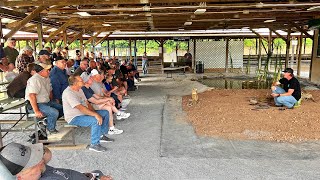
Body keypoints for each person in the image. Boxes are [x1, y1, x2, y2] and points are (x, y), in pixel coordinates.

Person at [0, 142, 113, 179]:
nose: (41, 161)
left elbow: (47, 153)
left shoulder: (38, 171)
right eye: (34, 162)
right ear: (20, 177)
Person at [62, 75, 113, 152]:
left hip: (83, 113)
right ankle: (94, 144)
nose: (83, 81)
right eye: (81, 81)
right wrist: (95, 115)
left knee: (105, 113)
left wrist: (94, 112)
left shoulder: (80, 90)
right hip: (74, 117)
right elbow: (80, 108)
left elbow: (87, 104)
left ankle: (101, 135)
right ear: (75, 83)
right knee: (95, 120)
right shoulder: (68, 93)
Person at [25, 63, 64, 134]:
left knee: (62, 108)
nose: (49, 71)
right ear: (41, 71)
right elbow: (32, 96)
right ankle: (50, 129)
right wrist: (36, 111)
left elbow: (50, 91)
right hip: (36, 104)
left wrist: (53, 101)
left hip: (46, 102)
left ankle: (46, 122)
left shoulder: (47, 78)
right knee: (54, 112)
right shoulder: (34, 80)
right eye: (47, 70)